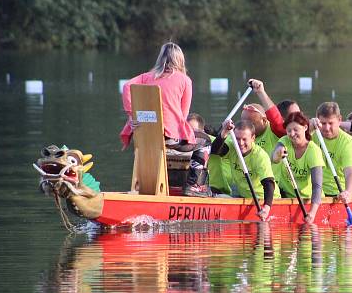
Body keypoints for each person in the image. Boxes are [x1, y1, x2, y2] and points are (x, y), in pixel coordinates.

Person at [119, 42, 211, 197]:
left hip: (144, 135)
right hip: (169, 138)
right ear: (180, 60)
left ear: (160, 59)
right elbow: (183, 115)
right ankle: (193, 186)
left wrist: (131, 114)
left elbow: (127, 86)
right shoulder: (185, 80)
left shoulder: (146, 77)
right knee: (205, 142)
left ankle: (141, 189)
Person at [210, 119, 279, 221]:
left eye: (244, 139)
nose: (240, 143)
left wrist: (266, 208)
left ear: (253, 138)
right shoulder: (232, 145)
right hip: (244, 197)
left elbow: (268, 182)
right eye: (237, 139)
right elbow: (215, 151)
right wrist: (224, 131)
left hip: (264, 199)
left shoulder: (260, 156)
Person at [270, 112, 324, 224]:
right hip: (286, 196)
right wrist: (278, 154)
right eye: (289, 130)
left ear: (305, 127)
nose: (292, 134)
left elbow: (317, 186)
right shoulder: (285, 141)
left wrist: (312, 213)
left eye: (296, 129)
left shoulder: (313, 151)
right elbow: (273, 158)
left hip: (309, 199)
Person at [309, 101, 352, 203]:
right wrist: (308, 127)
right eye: (323, 123)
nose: (326, 128)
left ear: (339, 120)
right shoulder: (313, 135)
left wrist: (348, 193)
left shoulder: (348, 142)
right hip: (321, 192)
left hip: (343, 192)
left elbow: (350, 173)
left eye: (330, 123)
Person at [188, 113, 231, 195]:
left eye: (193, 131)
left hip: (216, 190)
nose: (190, 134)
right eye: (187, 130)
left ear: (202, 132)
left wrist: (224, 132)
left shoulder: (207, 139)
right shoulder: (182, 140)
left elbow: (221, 149)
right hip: (192, 189)